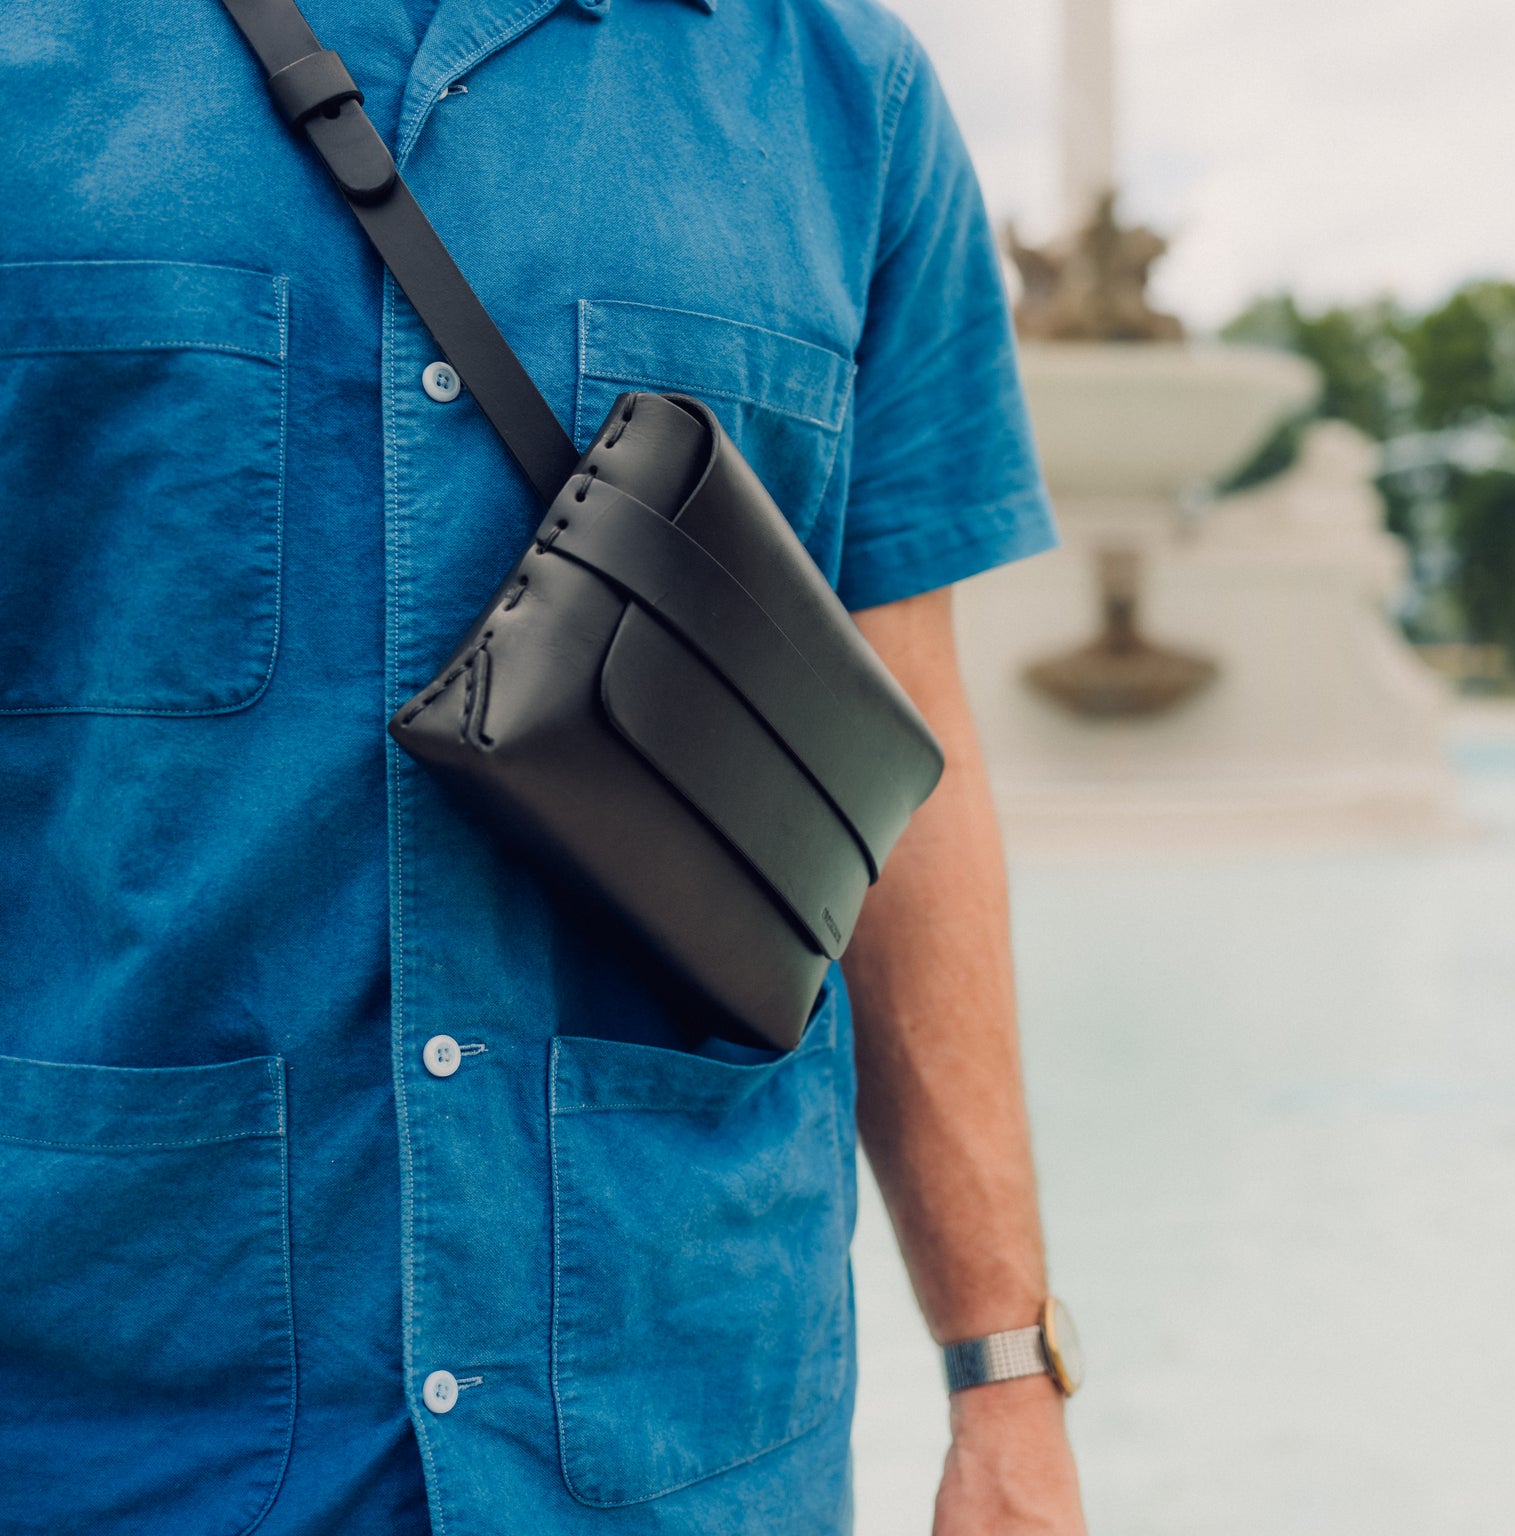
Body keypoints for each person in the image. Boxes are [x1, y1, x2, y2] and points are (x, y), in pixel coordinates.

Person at [0, 1, 1087, 1532]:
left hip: (688, 1433)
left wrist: (1003, 1381)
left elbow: (903, 777)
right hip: (107, 1415)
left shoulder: (851, 99)